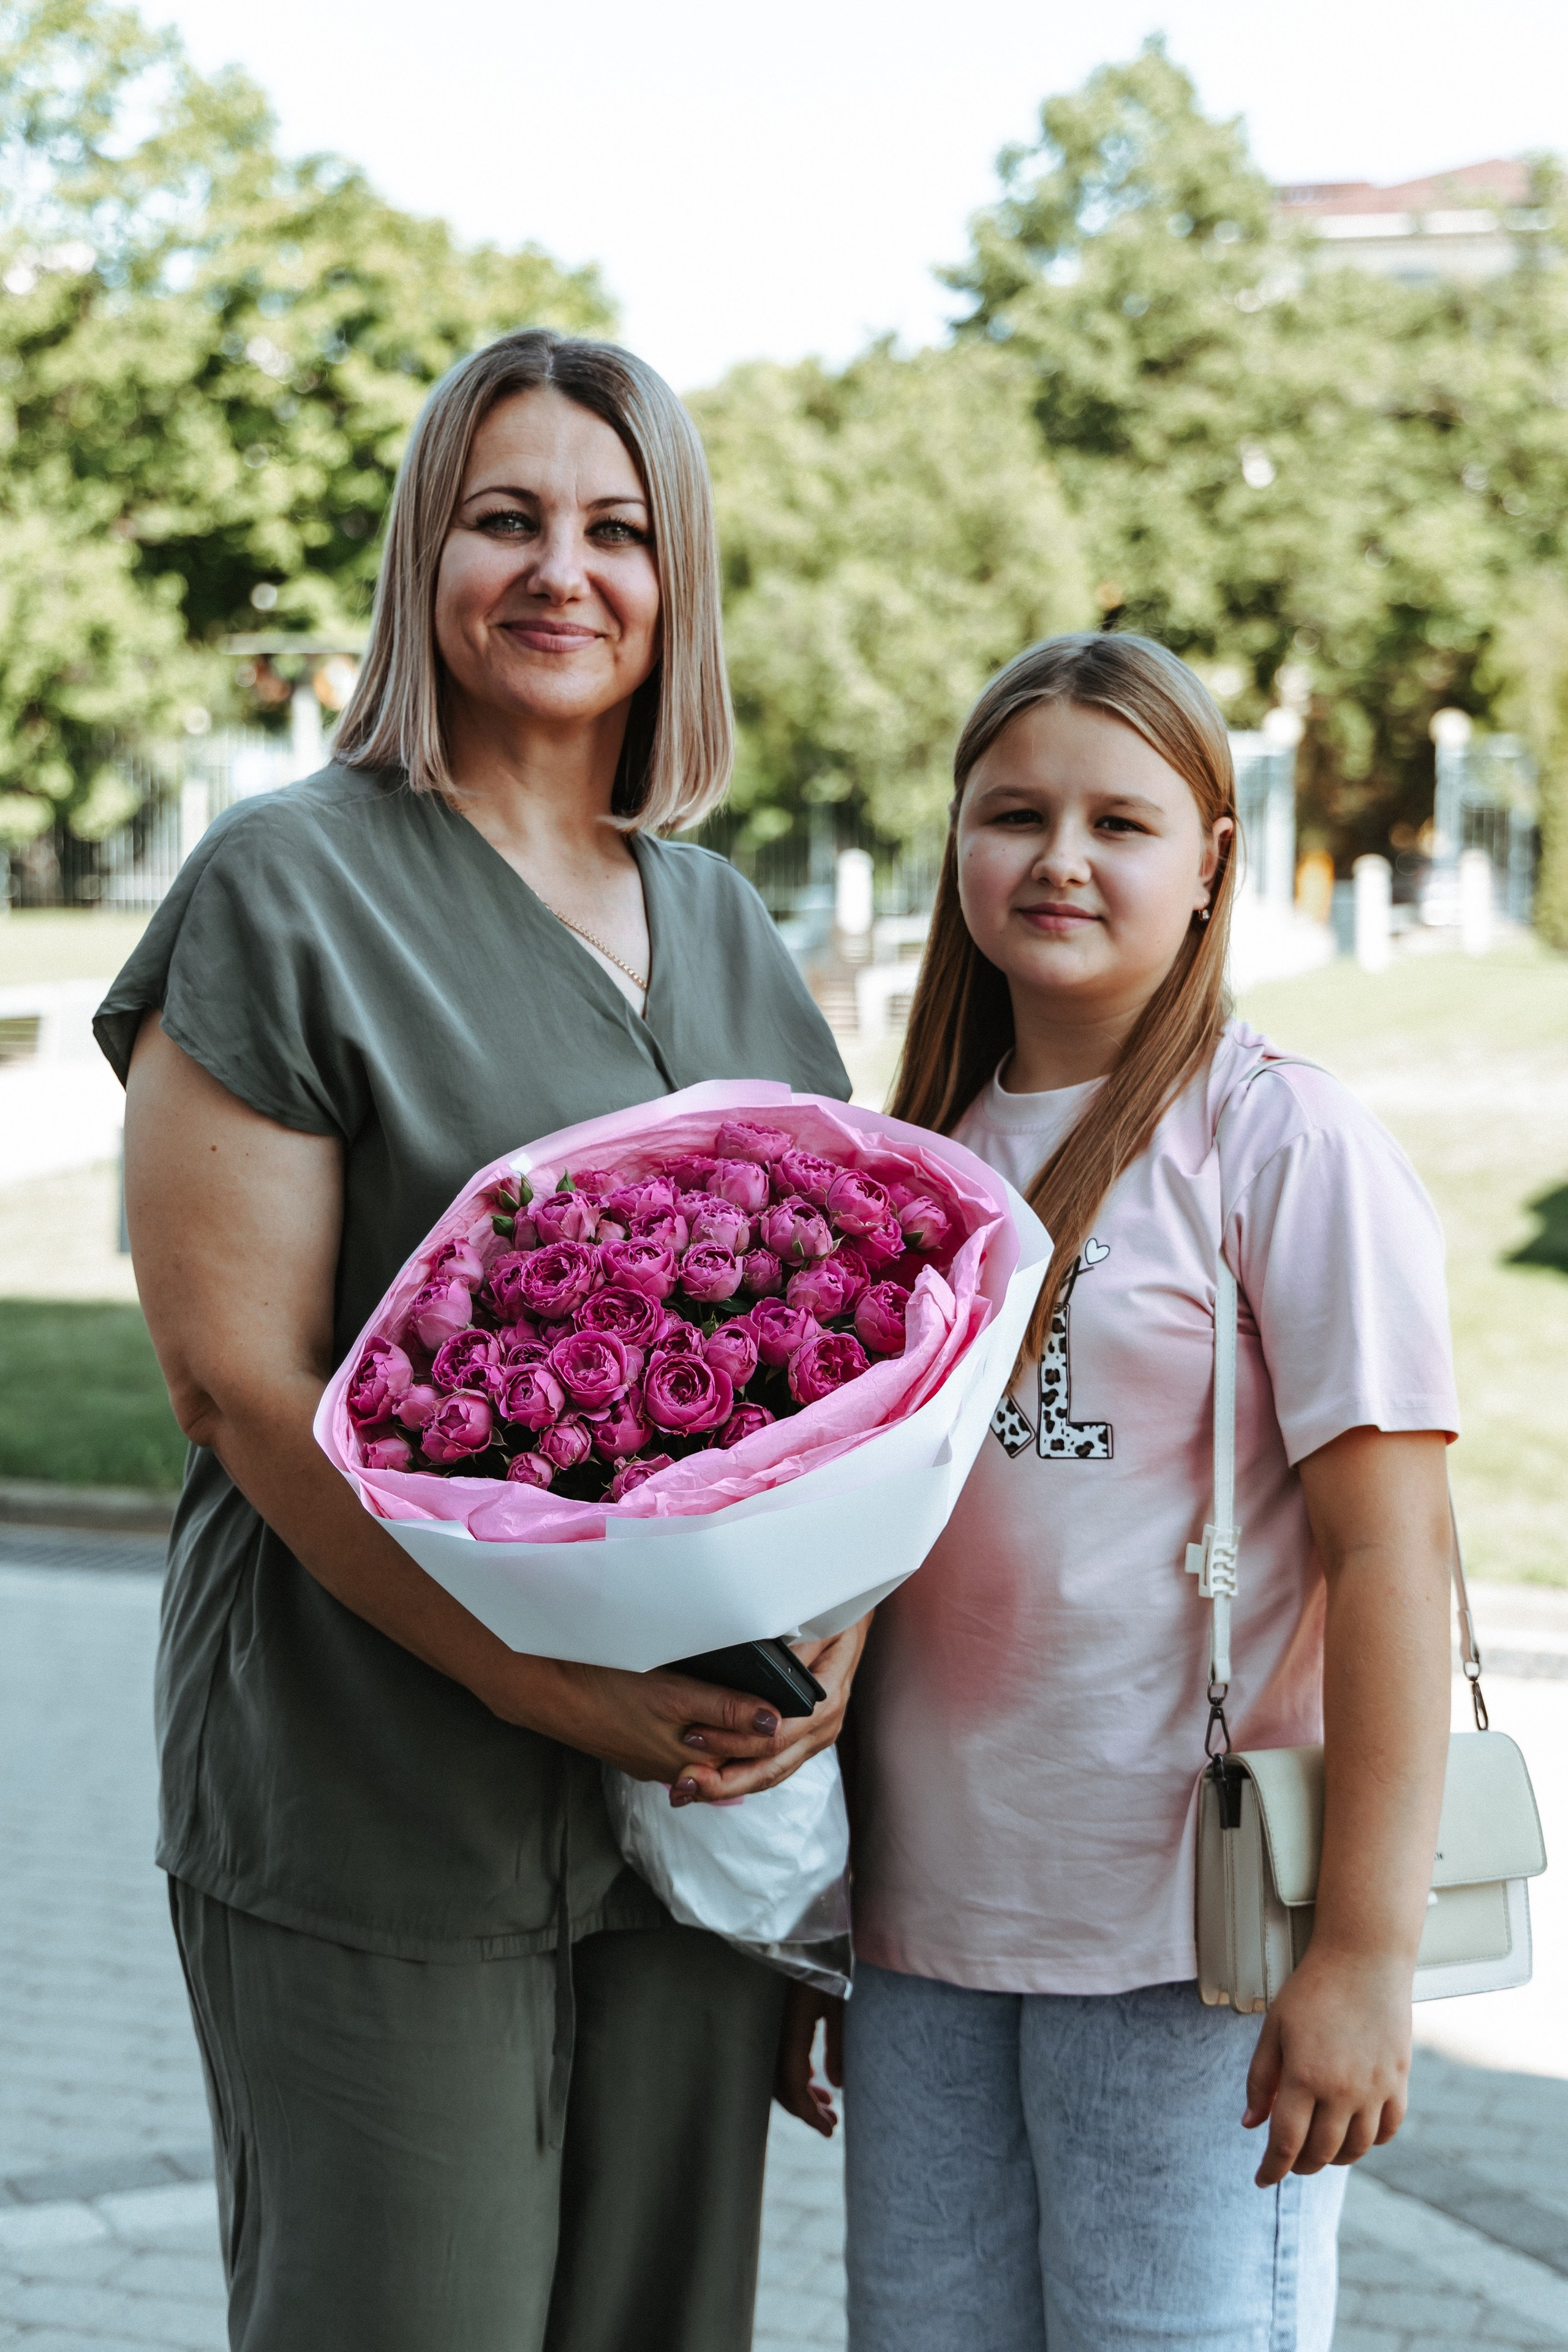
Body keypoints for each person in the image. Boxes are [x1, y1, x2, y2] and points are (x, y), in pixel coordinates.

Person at [96, 328, 865, 2352]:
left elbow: (873, 1366)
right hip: (381, 1785)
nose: (561, 571)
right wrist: (548, 1694)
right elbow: (234, 1386)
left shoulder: (726, 926)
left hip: (700, 1830)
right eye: (502, 519)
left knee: (661, 2322)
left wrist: (838, 1658)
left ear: (675, 577)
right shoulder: (294, 884)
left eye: (616, 528)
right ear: (422, 559)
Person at [775, 633, 1458, 2351]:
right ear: (955, 843)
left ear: (1214, 853)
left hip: (1193, 1948)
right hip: (926, 1937)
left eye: (1120, 821)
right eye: (1013, 813)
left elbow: (1395, 1557)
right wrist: (812, 1916)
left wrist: (1365, 1956)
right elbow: (853, 1560)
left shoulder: (1280, 1140)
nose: (1060, 858)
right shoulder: (904, 1156)